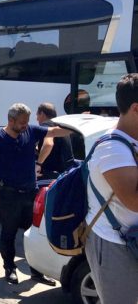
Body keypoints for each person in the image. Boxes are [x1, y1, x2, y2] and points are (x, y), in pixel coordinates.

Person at [0, 103, 71, 285]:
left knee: (33, 233)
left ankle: (37, 272)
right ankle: (10, 268)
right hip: (8, 194)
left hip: (30, 192)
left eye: (27, 122)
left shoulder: (30, 131)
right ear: (11, 120)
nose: (25, 125)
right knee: (9, 232)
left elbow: (54, 132)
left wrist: (76, 127)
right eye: (22, 122)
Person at [84, 73, 138, 303]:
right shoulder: (113, 149)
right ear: (136, 108)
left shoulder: (131, 142)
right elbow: (134, 202)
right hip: (116, 246)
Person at [36, 102, 74, 179]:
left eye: (37, 115)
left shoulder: (46, 126)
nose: (37, 119)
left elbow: (48, 144)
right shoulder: (60, 126)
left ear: (42, 114)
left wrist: (38, 164)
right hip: (67, 171)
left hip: (52, 174)